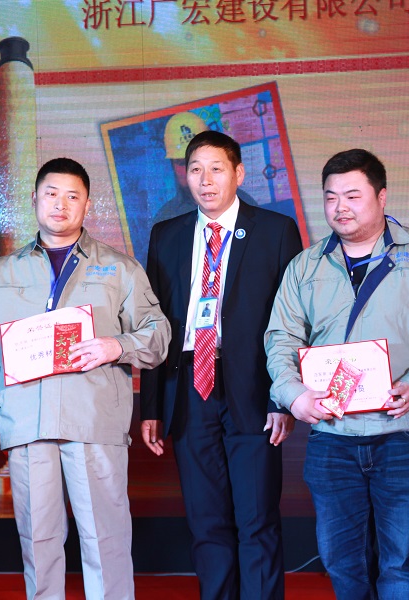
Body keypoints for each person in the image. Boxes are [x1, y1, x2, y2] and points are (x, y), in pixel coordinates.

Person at [0, 157, 171, 600]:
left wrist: (115, 345)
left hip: (93, 423)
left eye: (72, 196)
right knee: (38, 542)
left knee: (105, 539)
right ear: (34, 200)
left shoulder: (119, 269)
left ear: (87, 205)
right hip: (28, 425)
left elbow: (157, 335)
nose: (61, 204)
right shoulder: (2, 272)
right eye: (51, 194)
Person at [264, 149, 409, 599]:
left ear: (381, 197)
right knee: (342, 561)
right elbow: (281, 338)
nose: (340, 207)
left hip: (403, 432)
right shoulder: (306, 266)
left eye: (353, 195)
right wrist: (293, 394)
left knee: (402, 565)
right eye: (331, 197)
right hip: (332, 438)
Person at [140, 131, 302, 600]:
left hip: (253, 389)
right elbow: (155, 325)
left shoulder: (275, 230)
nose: (205, 180)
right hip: (190, 388)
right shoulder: (166, 235)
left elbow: (292, 321)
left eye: (216, 169)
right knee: (206, 522)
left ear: (239, 174)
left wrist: (283, 398)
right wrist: (152, 406)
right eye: (195, 170)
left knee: (257, 520)